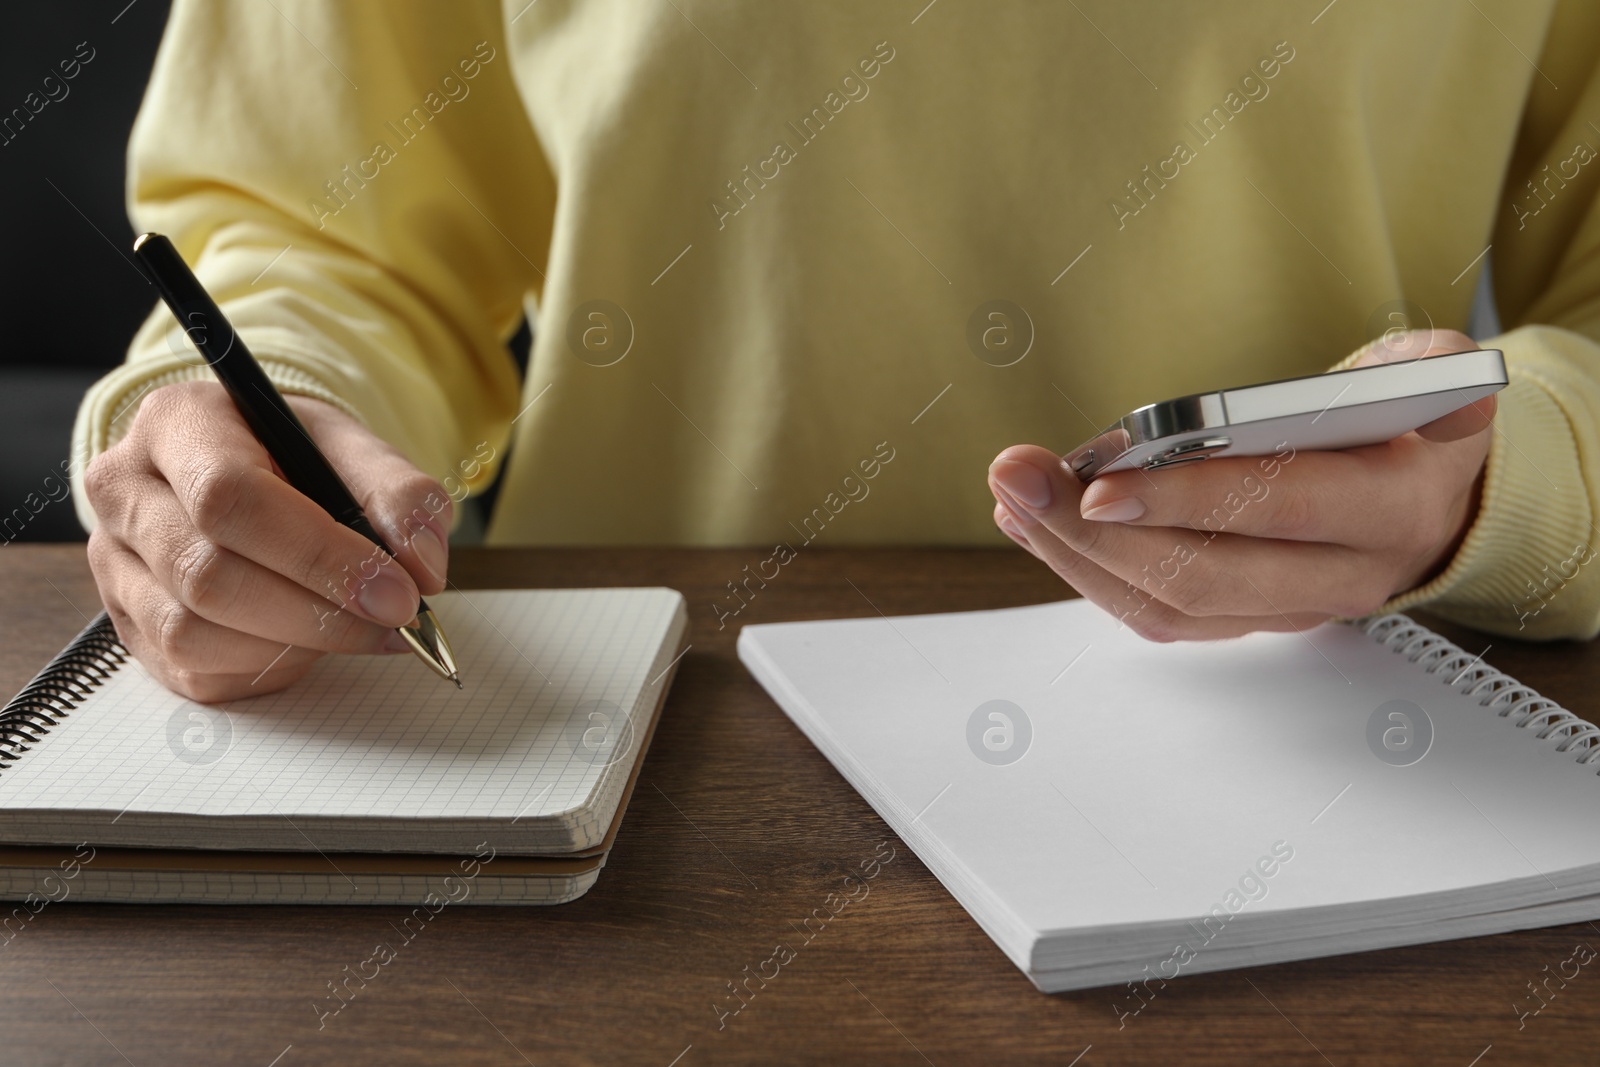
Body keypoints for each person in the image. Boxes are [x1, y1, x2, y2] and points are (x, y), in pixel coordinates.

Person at [73, 0, 1600, 701]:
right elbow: (329, 230)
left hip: (1336, 742)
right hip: (633, 740)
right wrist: (264, 426)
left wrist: (1513, 482)